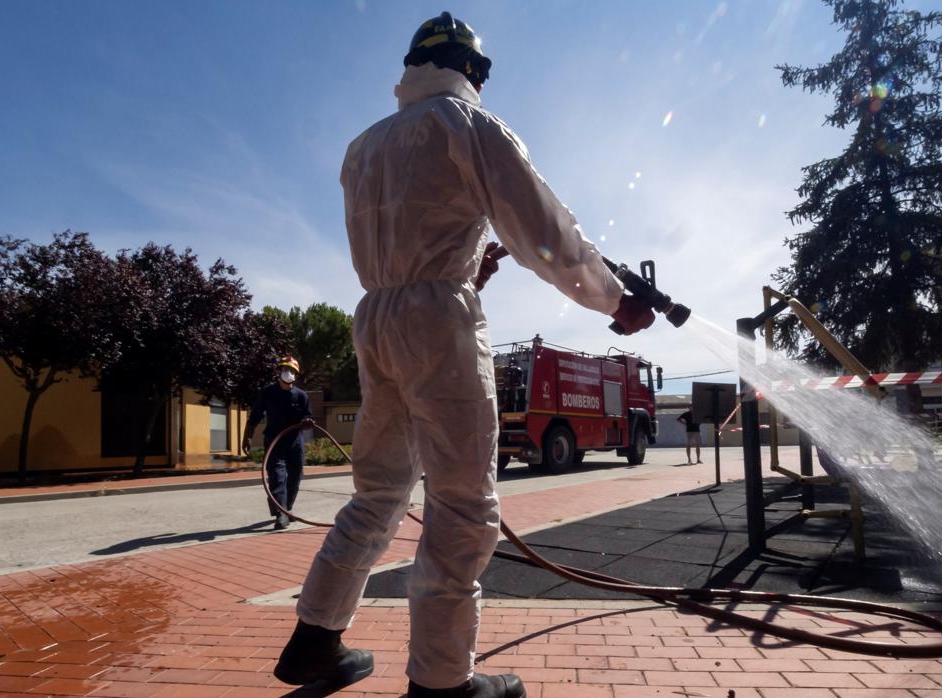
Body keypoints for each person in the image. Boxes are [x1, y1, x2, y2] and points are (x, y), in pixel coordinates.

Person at [272, 12, 655, 698]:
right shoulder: (468, 126)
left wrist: (459, 267)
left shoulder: (361, 148)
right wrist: (614, 301)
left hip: (376, 317)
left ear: (413, 66)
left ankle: (314, 640)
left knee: (378, 491)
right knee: (461, 501)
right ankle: (443, 683)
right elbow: (547, 233)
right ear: (473, 72)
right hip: (437, 324)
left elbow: (404, 234)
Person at [242, 355, 313, 530]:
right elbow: (255, 416)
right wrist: (247, 436)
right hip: (274, 442)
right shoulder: (268, 393)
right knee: (277, 477)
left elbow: (308, 415)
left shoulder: (301, 395)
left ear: (296, 374)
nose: (287, 372)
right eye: (283, 369)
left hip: (294, 442)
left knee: (295, 477)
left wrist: (307, 421)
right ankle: (281, 514)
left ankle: (286, 508)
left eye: (291, 370)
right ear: (278, 372)